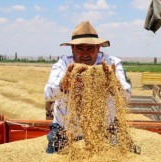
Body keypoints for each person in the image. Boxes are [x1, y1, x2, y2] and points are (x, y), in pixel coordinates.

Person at [44, 21, 131, 153]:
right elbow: (48, 94)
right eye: (80, 48)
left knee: (122, 157)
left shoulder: (111, 63)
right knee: (53, 159)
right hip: (65, 129)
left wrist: (114, 84)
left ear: (98, 48)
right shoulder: (63, 64)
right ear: (72, 49)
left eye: (90, 48)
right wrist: (64, 84)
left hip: (104, 128)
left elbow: (127, 95)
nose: (85, 53)